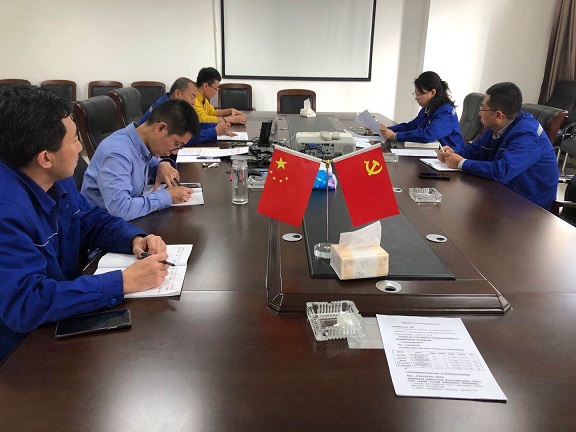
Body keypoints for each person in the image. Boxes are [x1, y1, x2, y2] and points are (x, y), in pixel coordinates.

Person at [0, 85, 170, 361]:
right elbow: (25, 303)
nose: (82, 149)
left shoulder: (56, 178)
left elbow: (89, 220)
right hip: (21, 351)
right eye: (75, 140)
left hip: (62, 312)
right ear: (45, 158)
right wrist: (122, 282)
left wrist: (134, 239)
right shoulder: (7, 211)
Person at [439, 82, 559, 210]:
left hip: (528, 206)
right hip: (501, 193)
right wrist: (452, 152)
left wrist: (461, 163)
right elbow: (475, 150)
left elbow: (502, 172)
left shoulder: (527, 134)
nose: (479, 113)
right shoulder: (496, 126)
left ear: (498, 115)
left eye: (482, 109)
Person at [82, 98, 200, 221]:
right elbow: (120, 209)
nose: (175, 152)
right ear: (160, 128)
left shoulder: (141, 144)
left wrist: (162, 164)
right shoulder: (117, 153)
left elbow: (149, 161)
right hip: (99, 224)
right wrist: (167, 196)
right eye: (176, 144)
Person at [380, 71, 465, 150]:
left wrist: (395, 136)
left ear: (433, 92)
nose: (416, 98)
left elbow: (428, 134)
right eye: (415, 94)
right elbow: (411, 126)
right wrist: (387, 130)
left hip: (451, 155)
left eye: (419, 94)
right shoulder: (428, 108)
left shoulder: (447, 113)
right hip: (434, 151)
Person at [140, 77, 236, 145]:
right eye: (192, 97)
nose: (193, 102)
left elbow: (192, 126)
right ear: (178, 93)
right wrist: (214, 132)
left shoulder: (174, 105)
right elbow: (181, 139)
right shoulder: (165, 110)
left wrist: (216, 126)